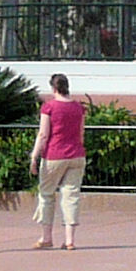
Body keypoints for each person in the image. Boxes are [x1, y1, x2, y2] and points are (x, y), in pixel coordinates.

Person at [30, 73, 87, 250]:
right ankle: (69, 240)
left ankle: (46, 237)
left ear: (53, 88)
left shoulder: (49, 107)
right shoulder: (78, 107)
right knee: (71, 196)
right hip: (76, 154)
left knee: (46, 195)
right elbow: (81, 133)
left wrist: (34, 156)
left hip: (54, 155)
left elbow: (43, 134)